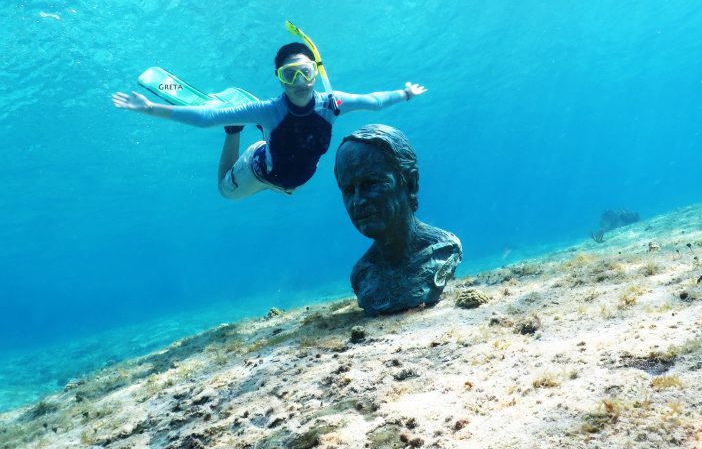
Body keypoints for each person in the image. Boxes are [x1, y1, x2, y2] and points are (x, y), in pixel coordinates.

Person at [112, 43, 426, 199]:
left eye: (306, 72)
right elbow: (206, 117)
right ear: (280, 79)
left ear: (315, 73)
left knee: (280, 139)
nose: (300, 82)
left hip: (288, 169)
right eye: (290, 75)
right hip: (258, 169)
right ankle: (234, 131)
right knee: (224, 191)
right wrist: (150, 108)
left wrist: (405, 93)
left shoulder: (333, 103)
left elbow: (374, 102)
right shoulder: (268, 110)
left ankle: (254, 128)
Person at [334, 124, 462, 315]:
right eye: (349, 190)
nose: (359, 201)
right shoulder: (362, 275)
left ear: (410, 184)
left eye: (371, 183)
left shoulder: (444, 250)